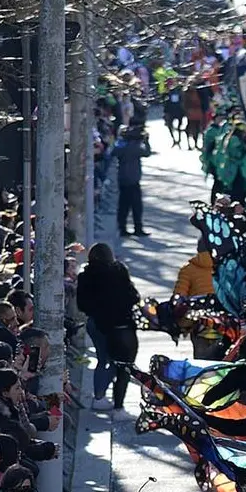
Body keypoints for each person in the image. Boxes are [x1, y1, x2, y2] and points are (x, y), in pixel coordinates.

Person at [76, 242, 142, 412]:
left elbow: (81, 304)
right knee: (118, 361)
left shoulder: (85, 276)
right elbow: (133, 296)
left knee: (102, 359)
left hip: (95, 323)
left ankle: (99, 396)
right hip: (116, 324)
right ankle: (105, 397)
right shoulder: (118, 272)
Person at [112, 126, 151, 237]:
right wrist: (146, 141)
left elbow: (113, 152)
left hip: (123, 179)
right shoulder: (135, 148)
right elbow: (147, 152)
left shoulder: (121, 146)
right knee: (136, 206)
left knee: (123, 205)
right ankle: (137, 228)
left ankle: (122, 228)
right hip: (133, 181)